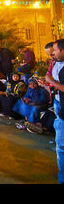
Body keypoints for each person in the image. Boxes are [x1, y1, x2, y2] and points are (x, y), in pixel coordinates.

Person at [51, 39, 64, 184]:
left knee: (61, 147)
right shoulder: (57, 66)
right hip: (60, 108)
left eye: (55, 51)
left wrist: (51, 81)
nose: (53, 54)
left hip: (63, 113)